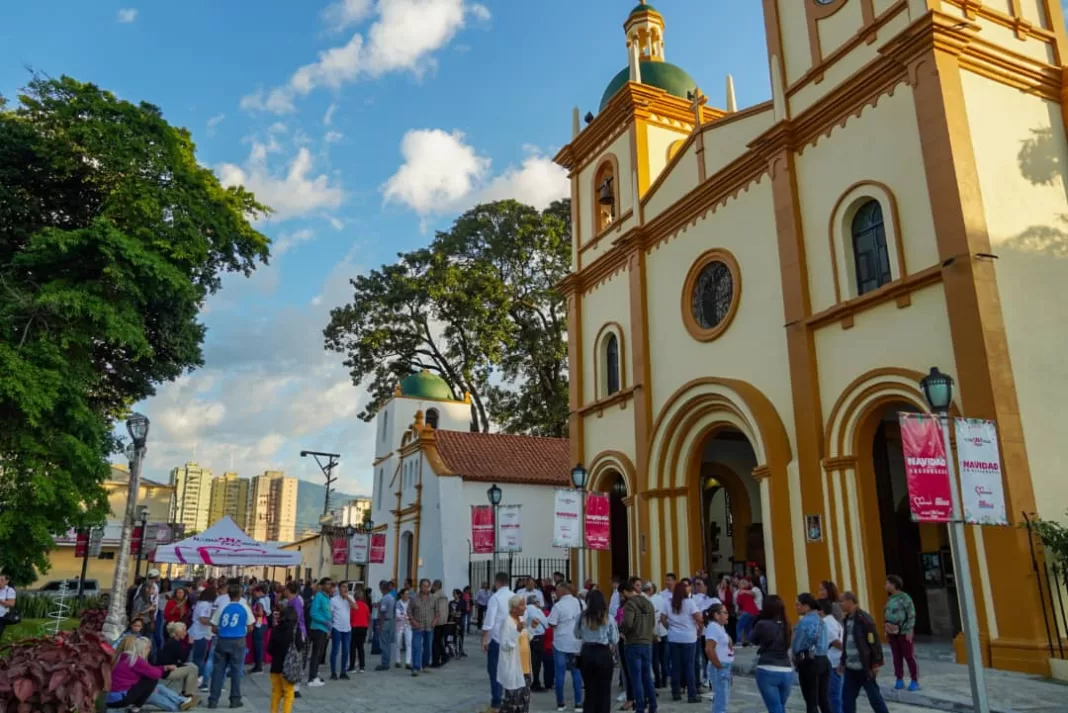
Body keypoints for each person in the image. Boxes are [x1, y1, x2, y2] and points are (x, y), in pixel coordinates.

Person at [108, 635, 194, 712]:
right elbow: (154, 674)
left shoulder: (125, 658)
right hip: (121, 697)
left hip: (113, 696)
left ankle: (180, 701)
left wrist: (163, 668)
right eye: (149, 648)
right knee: (152, 682)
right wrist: (163, 669)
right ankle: (177, 706)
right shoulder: (136, 661)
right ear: (143, 648)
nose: (150, 650)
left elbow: (148, 670)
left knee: (156, 687)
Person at [839, 592, 890, 713]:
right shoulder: (846, 620)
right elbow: (846, 642)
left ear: (850, 601)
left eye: (842, 601)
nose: (840, 604)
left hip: (864, 667)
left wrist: (876, 663)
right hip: (851, 668)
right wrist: (842, 661)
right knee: (847, 699)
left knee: (874, 698)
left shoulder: (864, 619)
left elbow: (874, 643)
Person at [209, 582, 254, 709]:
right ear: (240, 595)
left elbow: (213, 627)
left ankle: (213, 700)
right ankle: (235, 699)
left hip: (223, 640)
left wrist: (224, 630)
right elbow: (250, 627)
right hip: (238, 640)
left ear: (228, 595)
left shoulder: (223, 607)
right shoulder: (244, 607)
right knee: (236, 671)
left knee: (218, 670)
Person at [574, 588, 619, 713]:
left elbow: (576, 634)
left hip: (587, 652)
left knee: (590, 689)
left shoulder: (581, 617)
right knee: (604, 690)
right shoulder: (608, 617)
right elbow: (614, 639)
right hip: (603, 653)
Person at [750, 595, 793, 713]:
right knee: (780, 707)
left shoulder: (762, 624)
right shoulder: (787, 625)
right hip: (787, 670)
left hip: (767, 668)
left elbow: (752, 639)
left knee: (774, 708)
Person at [621, 576, 657, 713]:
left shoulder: (630, 604)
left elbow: (628, 623)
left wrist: (621, 629)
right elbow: (653, 622)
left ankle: (640, 708)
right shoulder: (648, 603)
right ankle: (653, 706)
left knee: (636, 678)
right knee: (647, 676)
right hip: (647, 643)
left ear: (625, 591)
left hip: (633, 643)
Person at [546, 581, 584, 712]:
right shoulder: (580, 603)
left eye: (557, 590)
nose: (555, 592)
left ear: (562, 591)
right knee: (576, 673)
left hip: (561, 643)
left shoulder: (558, 606)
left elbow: (551, 623)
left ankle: (560, 703)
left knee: (560, 674)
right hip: (576, 643)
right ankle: (578, 703)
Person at [662, 578, 701, 703]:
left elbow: (662, 618)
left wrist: (670, 628)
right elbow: (698, 618)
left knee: (675, 666)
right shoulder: (689, 602)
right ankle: (692, 695)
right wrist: (699, 631)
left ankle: (676, 693)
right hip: (689, 638)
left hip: (674, 638)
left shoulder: (668, 603)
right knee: (689, 666)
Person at [793, 592, 832, 713]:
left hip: (810, 662)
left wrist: (794, 656)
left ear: (806, 606)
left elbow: (798, 645)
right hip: (824, 660)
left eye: (798, 604)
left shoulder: (805, 622)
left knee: (811, 701)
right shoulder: (821, 620)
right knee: (823, 699)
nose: (796, 607)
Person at [482, 572, 515, 713]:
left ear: (497, 582)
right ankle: (510, 700)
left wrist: (484, 639)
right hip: (512, 640)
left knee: (494, 671)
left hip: (497, 639)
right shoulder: (516, 597)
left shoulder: (495, 598)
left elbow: (489, 621)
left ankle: (496, 702)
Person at [883, 575, 919, 691]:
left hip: (903, 631)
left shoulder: (905, 598)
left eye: (887, 583)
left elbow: (911, 614)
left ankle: (914, 680)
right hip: (892, 632)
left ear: (893, 585)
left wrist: (909, 630)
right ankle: (899, 678)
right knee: (896, 656)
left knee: (909, 656)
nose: (886, 586)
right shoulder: (890, 599)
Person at [498, 594, 533, 713]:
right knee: (512, 704)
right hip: (513, 668)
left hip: (525, 668)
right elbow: (505, 645)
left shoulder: (521, 619)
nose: (525, 608)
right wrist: (516, 631)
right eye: (522, 605)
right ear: (514, 608)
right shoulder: (507, 622)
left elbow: (525, 639)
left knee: (524, 702)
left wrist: (532, 628)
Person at [268, 598, 300, 713]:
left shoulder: (276, 630)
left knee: (276, 692)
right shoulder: (295, 631)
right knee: (288, 694)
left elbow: (269, 649)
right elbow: (300, 646)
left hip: (276, 666)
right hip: (289, 667)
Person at [156, 622, 200, 703]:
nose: (185, 633)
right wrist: (190, 645)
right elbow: (183, 658)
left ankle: (186, 692)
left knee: (192, 666)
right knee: (192, 669)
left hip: (169, 668)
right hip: (167, 671)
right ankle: (188, 695)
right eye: (183, 631)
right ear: (177, 632)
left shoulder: (173, 641)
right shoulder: (174, 643)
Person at [705, 603, 733, 713]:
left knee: (722, 700)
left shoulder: (720, 627)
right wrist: (719, 666)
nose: (727, 615)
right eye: (725, 613)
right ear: (716, 615)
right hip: (720, 667)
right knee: (721, 701)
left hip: (725, 666)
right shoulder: (713, 627)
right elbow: (709, 649)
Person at [307, 577, 333, 687]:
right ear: (322, 585)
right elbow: (313, 613)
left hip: (324, 629)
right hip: (317, 628)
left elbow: (327, 612)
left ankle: (315, 674)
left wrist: (329, 627)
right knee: (316, 653)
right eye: (327, 584)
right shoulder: (319, 597)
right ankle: (311, 678)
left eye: (331, 584)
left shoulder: (327, 598)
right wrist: (325, 621)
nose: (329, 586)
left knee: (320, 654)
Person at [409, 579, 438, 676]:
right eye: (423, 586)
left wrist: (435, 621)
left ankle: (425, 665)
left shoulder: (433, 598)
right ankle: (415, 667)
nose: (425, 588)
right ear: (420, 586)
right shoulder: (414, 598)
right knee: (416, 647)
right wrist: (413, 621)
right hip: (418, 626)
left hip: (429, 627)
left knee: (428, 647)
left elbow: (437, 612)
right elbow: (409, 611)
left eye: (427, 586)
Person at [820, 599, 845, 713]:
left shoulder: (825, 622)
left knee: (833, 694)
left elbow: (836, 641)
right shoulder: (835, 622)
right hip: (837, 660)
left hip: (832, 662)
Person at [189, 586, 216, 685]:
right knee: (200, 656)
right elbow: (202, 619)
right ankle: (200, 676)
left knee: (198, 655)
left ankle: (196, 675)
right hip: (201, 632)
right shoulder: (206, 605)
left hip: (198, 631)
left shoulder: (200, 603)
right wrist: (213, 623)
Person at [329, 581, 355, 680]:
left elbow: (355, 607)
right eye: (343, 587)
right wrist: (330, 628)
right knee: (335, 650)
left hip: (347, 628)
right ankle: (333, 672)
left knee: (346, 650)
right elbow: (330, 615)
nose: (345, 589)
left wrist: (347, 597)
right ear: (339, 588)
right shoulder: (333, 600)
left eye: (347, 587)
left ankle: (343, 672)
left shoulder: (350, 598)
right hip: (336, 627)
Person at [524, 594, 547, 691]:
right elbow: (545, 622)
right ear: (535, 602)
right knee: (537, 661)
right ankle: (536, 682)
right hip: (538, 636)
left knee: (530, 660)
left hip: (528, 635)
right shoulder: (537, 610)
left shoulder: (525, 609)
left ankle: (528, 681)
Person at [250, 584, 272, 674]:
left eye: (254, 592)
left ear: (259, 591)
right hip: (264, 624)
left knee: (258, 646)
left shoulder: (260, 601)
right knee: (259, 645)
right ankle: (258, 665)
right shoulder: (266, 599)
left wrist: (252, 611)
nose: (253, 594)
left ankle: (258, 667)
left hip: (260, 624)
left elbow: (260, 613)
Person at [348, 585, 371, 673]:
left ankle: (352, 666)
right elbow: (368, 617)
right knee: (361, 647)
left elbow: (350, 616)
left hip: (354, 627)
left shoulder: (353, 606)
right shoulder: (365, 606)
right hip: (363, 627)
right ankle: (362, 667)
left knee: (353, 647)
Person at [376, 580, 397, 671]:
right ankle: (387, 661)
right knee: (388, 643)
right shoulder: (392, 598)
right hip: (391, 621)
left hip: (385, 621)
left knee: (384, 643)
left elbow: (383, 613)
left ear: (382, 588)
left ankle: (385, 663)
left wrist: (380, 626)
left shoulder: (385, 598)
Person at [431, 579, 450, 667]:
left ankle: (436, 660)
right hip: (444, 621)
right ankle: (444, 656)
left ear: (436, 586)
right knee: (439, 641)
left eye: (433, 585)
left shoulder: (435, 596)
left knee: (435, 642)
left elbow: (432, 608)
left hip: (437, 621)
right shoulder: (444, 595)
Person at [394, 587, 413, 668]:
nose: (407, 596)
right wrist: (406, 616)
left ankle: (408, 662)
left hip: (408, 625)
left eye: (408, 594)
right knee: (398, 643)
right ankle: (397, 661)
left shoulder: (411, 602)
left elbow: (412, 613)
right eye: (405, 594)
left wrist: (405, 615)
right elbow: (397, 615)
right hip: (399, 626)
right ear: (401, 595)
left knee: (409, 643)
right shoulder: (398, 603)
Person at [449, 588, 467, 658]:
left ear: (459, 595)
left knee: (460, 635)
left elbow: (464, 611)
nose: (453, 595)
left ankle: (460, 650)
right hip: (452, 620)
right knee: (452, 636)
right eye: (453, 593)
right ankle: (453, 650)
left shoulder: (463, 602)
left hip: (460, 620)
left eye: (455, 593)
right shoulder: (451, 602)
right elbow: (449, 611)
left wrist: (459, 613)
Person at [0, 573, 15, 643]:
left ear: (7, 581)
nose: (0, 582)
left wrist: (1, 601)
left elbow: (11, 604)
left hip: (2, 616)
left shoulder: (9, 590)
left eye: (2, 580)